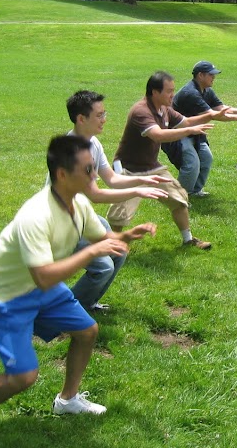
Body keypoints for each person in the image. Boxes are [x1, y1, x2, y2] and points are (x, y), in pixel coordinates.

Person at [0, 135, 156, 448]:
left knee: (87, 331)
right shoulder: (36, 216)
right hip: (2, 296)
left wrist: (128, 235)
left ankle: (67, 400)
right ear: (62, 174)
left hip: (38, 286)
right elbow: (44, 277)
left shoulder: (78, 204)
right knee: (23, 377)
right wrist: (91, 252)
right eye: (88, 170)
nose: (95, 176)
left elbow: (103, 238)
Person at [63, 90, 170, 311]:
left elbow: (111, 179)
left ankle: (87, 303)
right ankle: (67, 310)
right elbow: (96, 195)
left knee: (118, 251)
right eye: (99, 115)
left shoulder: (92, 143)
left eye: (104, 113)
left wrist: (143, 178)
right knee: (103, 267)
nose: (104, 119)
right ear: (81, 119)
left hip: (82, 216)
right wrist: (138, 191)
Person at [107, 71, 214, 248]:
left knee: (178, 199)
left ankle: (188, 240)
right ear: (155, 92)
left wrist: (213, 115)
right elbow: (158, 135)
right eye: (169, 91)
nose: (173, 94)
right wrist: (189, 131)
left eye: (173, 90)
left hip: (151, 166)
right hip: (128, 168)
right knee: (120, 212)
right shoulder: (141, 111)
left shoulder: (164, 109)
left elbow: (186, 122)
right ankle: (113, 245)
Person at [170, 61, 237, 197]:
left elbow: (220, 108)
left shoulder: (206, 90)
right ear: (200, 75)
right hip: (177, 133)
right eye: (211, 75)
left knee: (206, 158)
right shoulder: (191, 93)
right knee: (192, 164)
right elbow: (212, 115)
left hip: (195, 131)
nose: (214, 77)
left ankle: (194, 191)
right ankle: (179, 197)